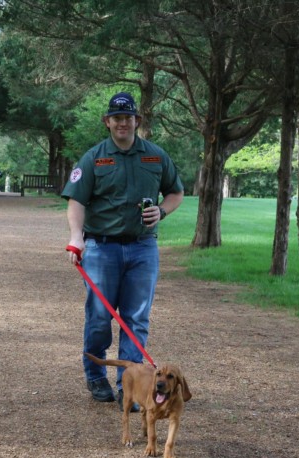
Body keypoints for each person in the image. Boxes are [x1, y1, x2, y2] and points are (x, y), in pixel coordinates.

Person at [62, 92, 184, 409]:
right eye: (116, 117)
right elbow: (77, 201)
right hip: (102, 250)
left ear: (136, 121)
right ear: (107, 122)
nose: (122, 123)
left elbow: (176, 191)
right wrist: (77, 237)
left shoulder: (156, 157)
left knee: (136, 320)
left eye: (127, 117)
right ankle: (96, 376)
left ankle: (128, 388)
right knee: (100, 317)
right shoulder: (93, 158)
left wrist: (162, 211)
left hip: (143, 249)